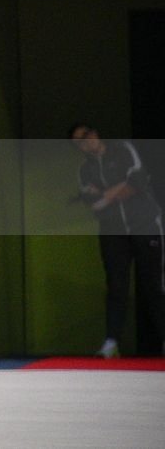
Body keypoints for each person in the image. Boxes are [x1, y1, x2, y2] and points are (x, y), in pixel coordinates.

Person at [68, 123, 165, 357]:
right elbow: (94, 205)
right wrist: (115, 190)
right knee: (116, 286)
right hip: (113, 232)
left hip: (145, 225)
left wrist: (106, 193)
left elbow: (137, 182)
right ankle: (111, 343)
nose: (85, 143)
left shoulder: (123, 150)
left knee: (154, 285)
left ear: (95, 133)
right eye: (78, 143)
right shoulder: (84, 170)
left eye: (86, 136)